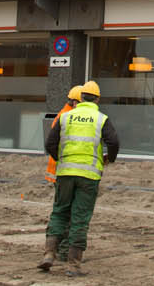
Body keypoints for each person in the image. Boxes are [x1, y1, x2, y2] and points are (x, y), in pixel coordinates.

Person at [38, 80, 119, 275]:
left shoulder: (66, 117)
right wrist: (109, 159)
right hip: (88, 176)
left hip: (65, 174)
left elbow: (50, 143)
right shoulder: (101, 118)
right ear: (97, 99)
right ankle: (73, 264)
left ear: (80, 98)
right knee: (80, 218)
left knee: (59, 212)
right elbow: (114, 142)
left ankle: (49, 254)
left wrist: (62, 159)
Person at [43, 85, 81, 185]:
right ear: (75, 102)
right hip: (60, 167)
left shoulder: (65, 113)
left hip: (58, 166)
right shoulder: (68, 117)